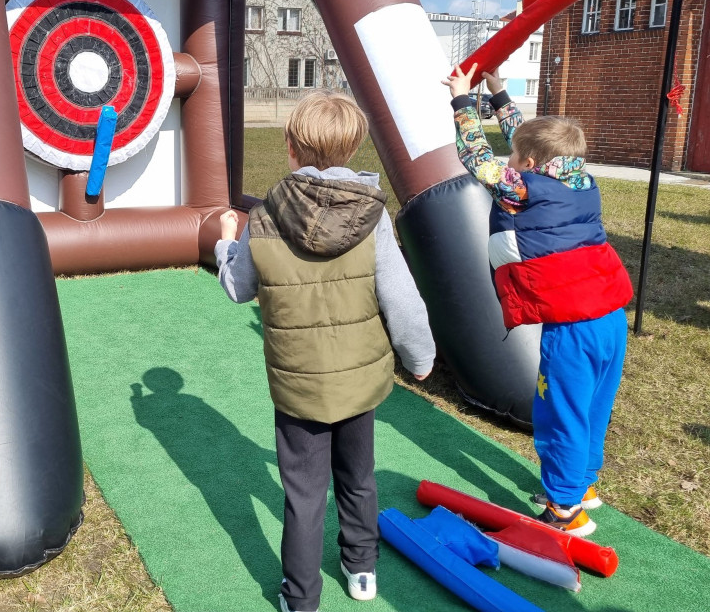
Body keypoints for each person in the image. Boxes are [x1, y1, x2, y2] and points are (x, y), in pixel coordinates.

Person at [216, 91, 435, 612]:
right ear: (353, 147)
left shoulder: (265, 214)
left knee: (304, 493)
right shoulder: (372, 214)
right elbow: (401, 296)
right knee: (358, 477)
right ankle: (362, 570)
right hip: (359, 382)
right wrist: (419, 356)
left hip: (299, 384)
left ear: (290, 146)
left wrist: (227, 243)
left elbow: (237, 288)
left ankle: (300, 598)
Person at [442, 64, 633, 537]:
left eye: (517, 159)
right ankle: (582, 485)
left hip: (573, 329)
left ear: (526, 165)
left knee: (560, 412)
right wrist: (500, 93)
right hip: (611, 317)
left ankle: (566, 512)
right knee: (591, 406)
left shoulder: (522, 190)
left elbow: (478, 157)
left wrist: (463, 102)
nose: (512, 162)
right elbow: (527, 144)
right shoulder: (580, 180)